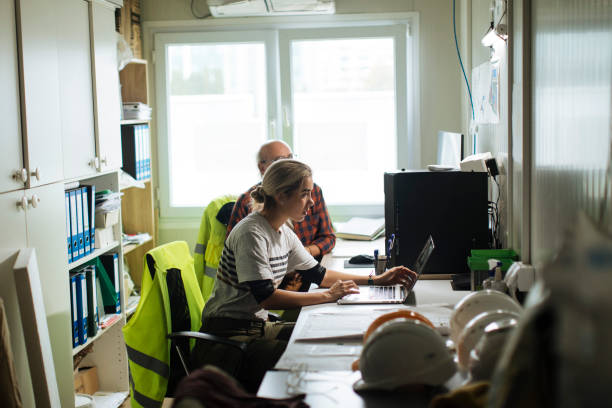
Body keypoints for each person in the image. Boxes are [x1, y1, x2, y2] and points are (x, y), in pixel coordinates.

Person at [192, 159, 417, 392]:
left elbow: (319, 274)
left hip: (258, 327)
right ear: (281, 196)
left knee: (332, 337)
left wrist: (376, 280)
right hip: (229, 338)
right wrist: (327, 296)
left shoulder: (283, 232)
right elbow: (267, 297)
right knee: (310, 359)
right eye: (305, 194)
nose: (311, 201)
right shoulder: (252, 234)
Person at [227, 140, 335, 259]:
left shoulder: (287, 233)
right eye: (280, 160)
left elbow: (328, 237)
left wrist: (305, 253)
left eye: (291, 158)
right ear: (262, 168)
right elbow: (238, 254)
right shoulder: (251, 224)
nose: (289, 164)